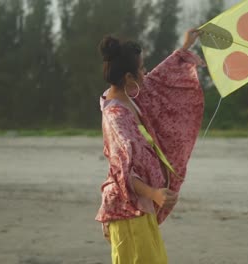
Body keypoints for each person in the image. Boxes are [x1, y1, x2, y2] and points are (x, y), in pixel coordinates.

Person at [95, 29, 204, 263]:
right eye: (141, 68)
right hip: (127, 210)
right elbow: (121, 171)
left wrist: (184, 49)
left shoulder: (131, 96)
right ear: (128, 78)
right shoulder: (116, 116)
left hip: (139, 208)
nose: (145, 72)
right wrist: (154, 193)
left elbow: (159, 80)